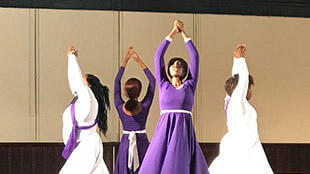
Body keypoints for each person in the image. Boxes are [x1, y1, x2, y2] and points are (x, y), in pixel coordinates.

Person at [139, 20, 209, 174]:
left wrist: (183, 33)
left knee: (179, 162)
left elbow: (194, 56)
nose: (177, 65)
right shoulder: (163, 84)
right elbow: (158, 55)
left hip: (183, 128)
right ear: (168, 70)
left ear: (184, 72)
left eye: (180, 65)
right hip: (165, 128)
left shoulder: (190, 84)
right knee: (158, 162)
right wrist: (173, 32)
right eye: (173, 64)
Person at [208, 44, 274, 174]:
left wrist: (236, 61)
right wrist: (240, 59)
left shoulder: (231, 101)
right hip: (243, 144)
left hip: (245, 142)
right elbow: (242, 80)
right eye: (249, 88)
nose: (249, 91)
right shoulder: (237, 101)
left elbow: (237, 78)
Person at [60, 46, 110, 174]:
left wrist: (72, 57)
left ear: (89, 86)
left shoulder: (88, 99)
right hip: (82, 146)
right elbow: (75, 83)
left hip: (86, 146)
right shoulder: (82, 101)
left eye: (83, 80)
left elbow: (76, 80)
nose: (80, 79)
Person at [114, 47, 156, 174]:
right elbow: (153, 81)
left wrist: (125, 62)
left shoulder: (119, 105)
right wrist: (139, 61)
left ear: (125, 92)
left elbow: (117, 81)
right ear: (140, 91)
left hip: (126, 143)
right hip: (142, 142)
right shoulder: (144, 106)